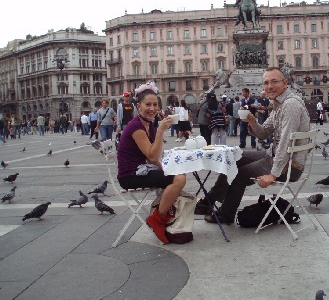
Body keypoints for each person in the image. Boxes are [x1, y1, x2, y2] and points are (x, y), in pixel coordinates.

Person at [195, 67, 310, 224]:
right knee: (235, 158)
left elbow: (285, 143)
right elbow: (263, 133)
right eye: (266, 83)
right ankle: (209, 201)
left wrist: (273, 175)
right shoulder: (278, 105)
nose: (269, 86)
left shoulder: (290, 106)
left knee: (238, 174)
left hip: (289, 166)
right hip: (276, 157)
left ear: (285, 83)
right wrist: (252, 121)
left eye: (274, 81)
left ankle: (224, 214)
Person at [117, 81, 186, 244]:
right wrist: (161, 130)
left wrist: (166, 169)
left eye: (155, 104)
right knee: (180, 179)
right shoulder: (137, 127)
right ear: (138, 106)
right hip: (130, 176)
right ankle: (158, 218)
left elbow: (152, 159)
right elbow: (153, 157)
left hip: (141, 170)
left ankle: (160, 215)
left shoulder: (148, 124)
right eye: (148, 104)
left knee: (178, 175)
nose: (152, 108)